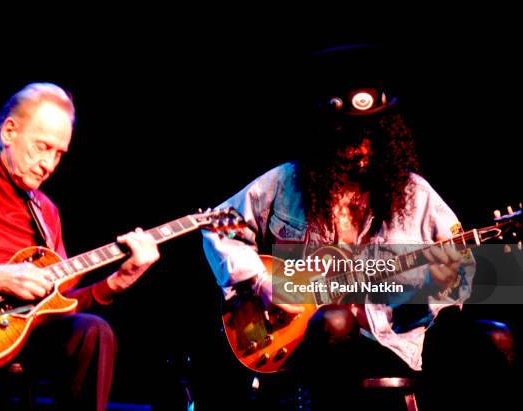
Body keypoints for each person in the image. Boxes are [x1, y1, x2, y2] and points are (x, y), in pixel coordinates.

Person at [202, 45, 512, 409]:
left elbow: (473, 279)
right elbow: (217, 226)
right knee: (334, 320)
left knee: (497, 337)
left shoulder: (415, 195)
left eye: (371, 135)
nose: (361, 148)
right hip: (301, 346)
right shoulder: (286, 182)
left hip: (387, 343)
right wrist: (261, 281)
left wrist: (443, 280)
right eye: (348, 136)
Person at [0, 82, 160, 410]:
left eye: (59, 153)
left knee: (93, 332)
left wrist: (116, 282)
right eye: (42, 147)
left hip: (20, 338)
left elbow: (60, 304)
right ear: (10, 132)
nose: (49, 164)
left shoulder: (46, 212)